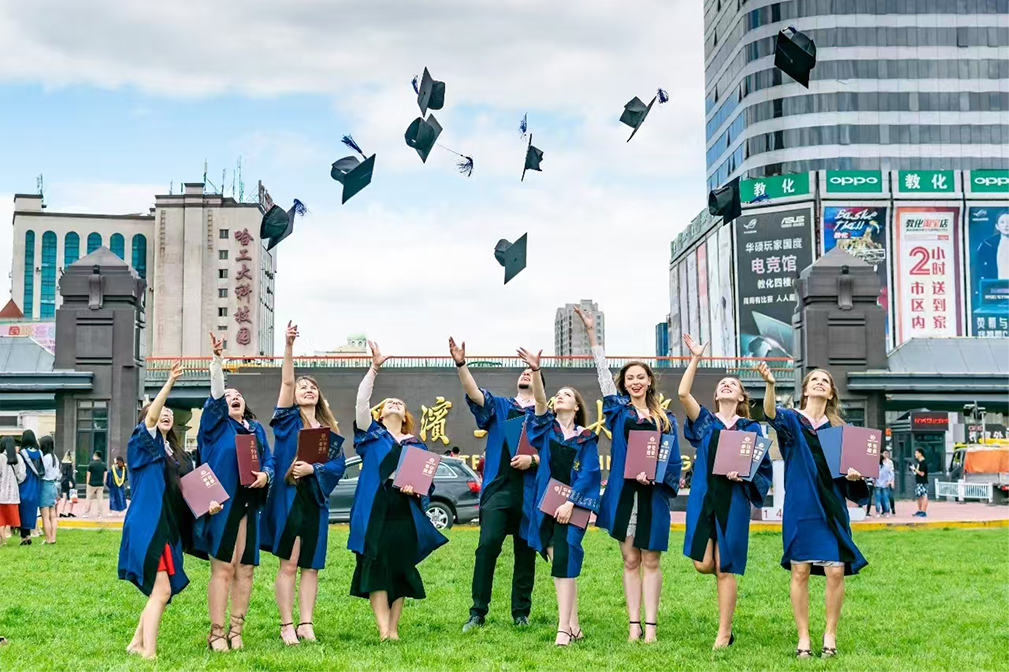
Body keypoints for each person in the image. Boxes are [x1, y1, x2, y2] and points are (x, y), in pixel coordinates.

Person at [576, 306, 681, 643]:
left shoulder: (665, 420)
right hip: (625, 495)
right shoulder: (618, 412)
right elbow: (602, 376)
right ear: (624, 384)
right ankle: (633, 624)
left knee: (651, 559)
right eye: (630, 378)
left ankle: (651, 626)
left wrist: (659, 478)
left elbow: (672, 460)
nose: (635, 382)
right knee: (630, 558)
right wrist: (591, 334)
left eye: (641, 377)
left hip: (653, 496)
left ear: (649, 382)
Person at [759, 363, 870, 659]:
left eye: (825, 381)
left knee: (836, 570)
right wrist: (770, 385)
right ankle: (803, 637)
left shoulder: (839, 432)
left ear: (831, 393)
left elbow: (851, 477)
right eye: (815, 380)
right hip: (801, 505)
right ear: (805, 390)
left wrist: (855, 476)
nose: (820, 383)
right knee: (800, 570)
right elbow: (770, 414)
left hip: (831, 507)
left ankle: (830, 634)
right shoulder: (792, 421)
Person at [119, 361, 219, 659]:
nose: (165, 413)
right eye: (159, 410)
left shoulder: (177, 454)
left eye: (169, 412)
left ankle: (136, 643)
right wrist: (170, 381)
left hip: (169, 527)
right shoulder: (141, 444)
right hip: (149, 525)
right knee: (161, 591)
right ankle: (148, 652)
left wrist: (209, 505)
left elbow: (191, 491)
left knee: (161, 591)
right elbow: (151, 417)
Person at [678, 334, 773, 649]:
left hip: (733, 500)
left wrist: (743, 476)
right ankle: (724, 628)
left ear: (742, 395)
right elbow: (682, 393)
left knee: (724, 567)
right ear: (717, 396)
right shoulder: (706, 422)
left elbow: (762, 469)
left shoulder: (751, 429)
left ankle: (724, 633)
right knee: (703, 563)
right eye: (722, 384)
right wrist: (696, 357)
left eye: (733, 384)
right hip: (705, 498)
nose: (727, 386)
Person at [350, 341, 448, 641]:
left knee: (400, 566)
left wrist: (416, 490)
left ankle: (394, 628)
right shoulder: (372, 437)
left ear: (405, 415)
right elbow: (361, 402)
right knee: (376, 565)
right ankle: (383, 630)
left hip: (405, 507)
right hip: (376, 505)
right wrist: (374, 368)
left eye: (399, 403)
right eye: (388, 403)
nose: (394, 403)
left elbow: (426, 481)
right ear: (380, 415)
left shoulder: (416, 444)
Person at [262, 322, 347, 646]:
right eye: (303, 387)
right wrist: (288, 346)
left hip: (315, 500)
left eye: (312, 388)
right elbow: (287, 380)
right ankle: (286, 625)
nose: (308, 390)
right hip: (289, 498)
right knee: (290, 563)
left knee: (311, 566)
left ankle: (306, 623)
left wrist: (314, 469)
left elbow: (338, 465)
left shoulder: (328, 429)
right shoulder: (287, 420)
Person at [449, 336, 538, 632]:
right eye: (523, 371)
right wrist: (461, 364)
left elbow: (552, 455)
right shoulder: (501, 406)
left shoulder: (545, 415)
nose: (526, 374)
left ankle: (521, 612)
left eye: (531, 372)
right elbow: (474, 393)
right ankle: (477, 612)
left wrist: (532, 461)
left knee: (525, 552)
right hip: (499, 488)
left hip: (530, 491)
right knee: (487, 547)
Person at [195, 332, 274, 651]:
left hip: (250, 504)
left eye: (238, 395)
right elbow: (216, 396)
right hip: (222, 504)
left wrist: (266, 475)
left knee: (246, 568)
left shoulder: (256, 429)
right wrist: (218, 362)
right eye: (229, 396)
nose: (234, 397)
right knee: (224, 567)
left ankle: (236, 630)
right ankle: (216, 632)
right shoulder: (215, 427)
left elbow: (269, 460)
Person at [517, 346, 601, 647]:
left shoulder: (586, 437)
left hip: (573, 505)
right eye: (558, 395)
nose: (560, 397)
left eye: (567, 395)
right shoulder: (546, 430)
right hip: (548, 503)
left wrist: (571, 502)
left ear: (576, 406)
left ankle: (563, 629)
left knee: (564, 561)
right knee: (559, 564)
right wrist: (536, 371)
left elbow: (589, 473)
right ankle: (573, 625)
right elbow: (540, 402)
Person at [17, 430, 43, 544]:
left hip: (24, 484)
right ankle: (29, 535)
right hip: (35, 485)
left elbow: (20, 471)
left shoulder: (22, 453)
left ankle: (25, 537)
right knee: (31, 511)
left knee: (22, 511)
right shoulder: (39, 453)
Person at [0, 436, 25, 545]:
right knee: (8, 518)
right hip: (13, 493)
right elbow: (22, 475)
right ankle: (5, 537)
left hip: (1, 492)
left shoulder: (1, 457)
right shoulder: (18, 457)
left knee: (1, 519)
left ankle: (3, 540)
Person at [39, 435, 61, 544]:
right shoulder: (55, 457)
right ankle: (53, 538)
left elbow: (42, 472)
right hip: (53, 485)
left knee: (45, 515)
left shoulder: (45, 458)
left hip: (45, 485)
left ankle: (48, 538)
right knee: (53, 515)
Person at [85, 450, 107, 521]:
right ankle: (100, 514)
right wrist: (103, 482)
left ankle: (86, 513)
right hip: (100, 484)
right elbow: (105, 473)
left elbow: (88, 474)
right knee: (100, 499)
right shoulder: (103, 465)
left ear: (95, 455)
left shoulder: (91, 464)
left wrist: (87, 483)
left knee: (89, 498)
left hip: (91, 484)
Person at [57, 450, 76, 518]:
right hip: (69, 481)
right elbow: (69, 474)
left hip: (63, 481)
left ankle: (62, 511)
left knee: (64, 497)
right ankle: (70, 512)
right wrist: (70, 482)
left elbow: (62, 472)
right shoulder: (70, 465)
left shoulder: (62, 464)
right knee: (71, 496)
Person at [874, 453, 893, 517]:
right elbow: (892, 474)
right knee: (886, 499)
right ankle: (887, 512)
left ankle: (877, 513)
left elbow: (873, 476)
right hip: (885, 484)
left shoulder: (875, 467)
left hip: (877, 484)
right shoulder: (887, 466)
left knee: (877, 499)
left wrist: (874, 481)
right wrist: (889, 481)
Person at [912, 449, 929, 517]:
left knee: (924, 496)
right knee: (919, 496)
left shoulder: (923, 463)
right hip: (919, 482)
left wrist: (915, 469)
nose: (915, 454)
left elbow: (922, 473)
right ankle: (920, 510)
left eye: (916, 453)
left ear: (920, 454)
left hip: (923, 482)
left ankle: (924, 511)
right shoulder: (919, 463)